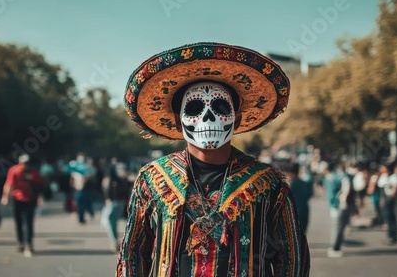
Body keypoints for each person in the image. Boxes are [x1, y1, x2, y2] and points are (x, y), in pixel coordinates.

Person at [117, 43, 310, 276]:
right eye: (195, 108)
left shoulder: (268, 184)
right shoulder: (152, 179)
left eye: (220, 107)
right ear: (179, 122)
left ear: (236, 120)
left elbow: (292, 258)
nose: (208, 118)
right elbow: (132, 253)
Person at [1, 154, 41, 257]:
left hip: (30, 199)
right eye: (23, 163)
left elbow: (38, 186)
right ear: (19, 163)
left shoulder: (33, 172)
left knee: (29, 222)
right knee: (18, 221)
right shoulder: (14, 170)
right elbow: (9, 184)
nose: (25, 166)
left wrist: (39, 198)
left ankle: (29, 244)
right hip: (17, 199)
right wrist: (5, 197)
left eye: (27, 164)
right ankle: (20, 242)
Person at [322, 162, 356, 258]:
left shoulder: (331, 178)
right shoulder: (338, 177)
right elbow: (346, 189)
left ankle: (335, 247)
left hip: (336, 205)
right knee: (337, 227)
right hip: (339, 205)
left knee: (337, 227)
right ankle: (335, 247)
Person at [102, 157, 128, 252]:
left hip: (117, 202)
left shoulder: (119, 179)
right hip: (116, 201)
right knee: (111, 221)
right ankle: (115, 240)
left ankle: (114, 240)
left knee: (110, 220)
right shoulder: (114, 177)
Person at [287, 163, 313, 233]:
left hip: (293, 213)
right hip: (304, 211)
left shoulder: (290, 185)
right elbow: (310, 194)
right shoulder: (304, 183)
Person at [380, 164, 397, 245]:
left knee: (391, 218)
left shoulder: (394, 177)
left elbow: (395, 189)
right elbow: (383, 188)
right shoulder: (385, 177)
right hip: (386, 198)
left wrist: (389, 199)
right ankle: (389, 236)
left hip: (391, 200)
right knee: (387, 218)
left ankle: (393, 237)